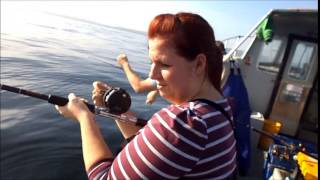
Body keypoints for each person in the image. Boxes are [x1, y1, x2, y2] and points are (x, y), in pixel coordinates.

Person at [55, 12, 237, 179]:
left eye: (164, 64)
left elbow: (102, 177)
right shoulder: (220, 109)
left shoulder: (184, 123)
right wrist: (115, 108)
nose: (153, 74)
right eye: (152, 62)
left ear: (198, 64)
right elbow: (155, 154)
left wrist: (84, 117)